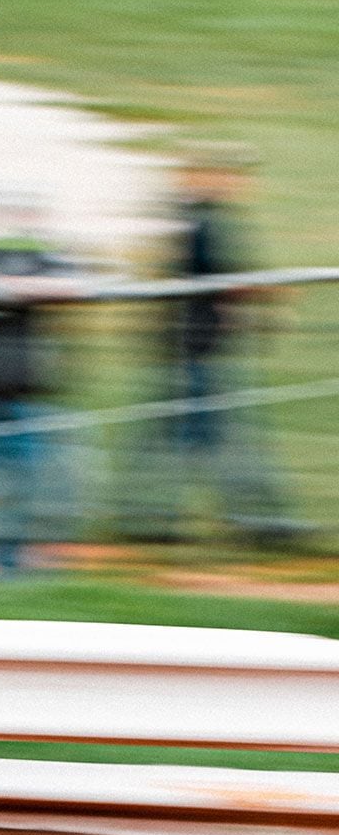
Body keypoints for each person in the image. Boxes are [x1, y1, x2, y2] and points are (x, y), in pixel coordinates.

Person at [120, 148, 302, 546]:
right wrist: (268, 296)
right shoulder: (206, 223)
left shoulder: (191, 221)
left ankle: (148, 518)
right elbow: (223, 281)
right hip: (198, 348)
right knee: (214, 436)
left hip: (190, 346)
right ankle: (255, 524)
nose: (241, 184)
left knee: (188, 435)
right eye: (232, 176)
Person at [0, 195, 83, 574]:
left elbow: (77, 286)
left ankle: (11, 554)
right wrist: (20, 287)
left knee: (26, 477)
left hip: (28, 385)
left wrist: (19, 286)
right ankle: (5, 560)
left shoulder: (45, 257)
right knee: (12, 478)